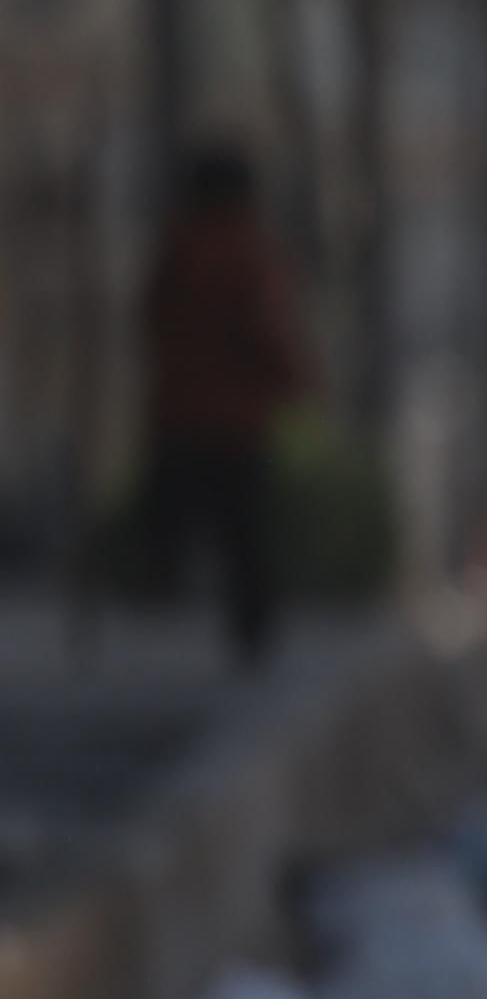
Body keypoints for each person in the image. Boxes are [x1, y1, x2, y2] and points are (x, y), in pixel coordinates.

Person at [136, 144, 308, 667]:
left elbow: (150, 320)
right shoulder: (246, 253)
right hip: (236, 425)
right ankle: (250, 641)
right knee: (245, 538)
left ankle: (145, 614)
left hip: (177, 416)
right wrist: (296, 384)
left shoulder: (176, 248)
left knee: (167, 526)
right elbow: (269, 332)